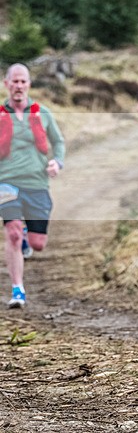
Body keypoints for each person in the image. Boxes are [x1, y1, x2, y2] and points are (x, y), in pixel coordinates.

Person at [0, 64, 65, 308]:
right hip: (5, 183)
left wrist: (57, 162)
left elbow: (58, 142)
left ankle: (29, 235)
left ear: (29, 84)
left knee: (38, 244)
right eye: (14, 81)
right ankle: (18, 290)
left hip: (37, 183)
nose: (18, 86)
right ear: (7, 84)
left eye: (23, 82)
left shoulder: (42, 113)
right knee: (13, 232)